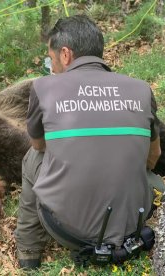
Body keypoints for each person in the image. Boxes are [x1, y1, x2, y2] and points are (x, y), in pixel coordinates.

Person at [15, 15, 165, 270]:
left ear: (65, 54)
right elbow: (153, 156)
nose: (50, 65)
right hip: (134, 224)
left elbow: (39, 146)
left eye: (50, 58)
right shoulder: (141, 89)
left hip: (68, 231)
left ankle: (29, 253)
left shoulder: (43, 88)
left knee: (32, 158)